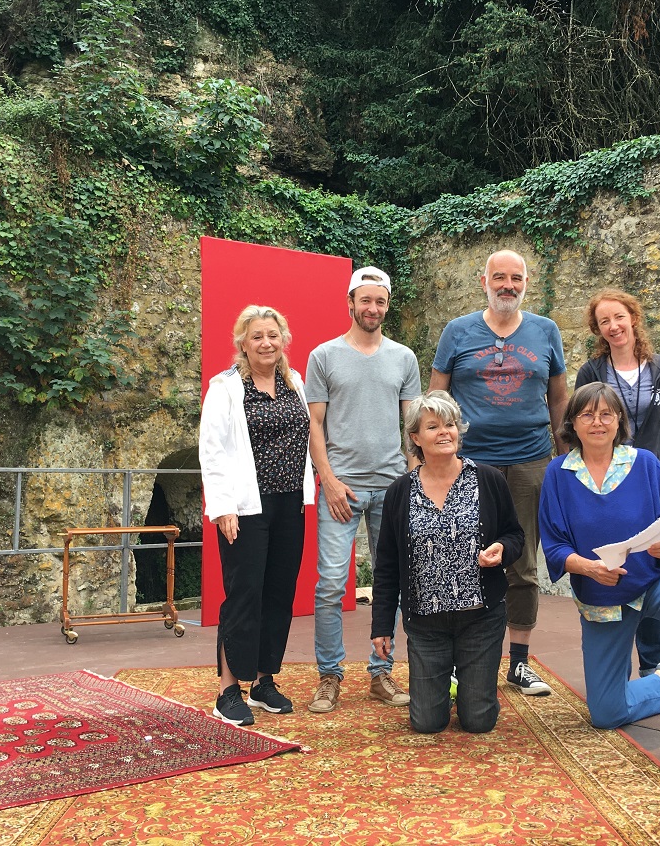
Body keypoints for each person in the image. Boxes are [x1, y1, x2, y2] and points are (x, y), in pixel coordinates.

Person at [539, 382, 660, 767]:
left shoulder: (645, 463)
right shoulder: (558, 474)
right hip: (602, 594)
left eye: (606, 414)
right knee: (606, 714)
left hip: (654, 580)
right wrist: (589, 568)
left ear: (620, 421)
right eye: (587, 415)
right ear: (572, 425)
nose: (598, 422)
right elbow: (556, 547)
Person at [429, 249, 567, 696]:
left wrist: (565, 461)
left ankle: (520, 663)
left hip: (531, 462)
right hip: (470, 464)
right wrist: (428, 460)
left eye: (517, 278)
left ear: (527, 282)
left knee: (523, 563)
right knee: (460, 559)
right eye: (499, 277)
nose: (508, 285)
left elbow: (559, 400)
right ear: (483, 280)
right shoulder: (457, 331)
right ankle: (458, 661)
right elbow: (436, 400)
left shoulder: (546, 332)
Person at [371, 391, 524, 733]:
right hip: (426, 623)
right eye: (433, 426)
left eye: (451, 424)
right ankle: (448, 684)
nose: (445, 432)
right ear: (415, 438)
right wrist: (381, 626)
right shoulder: (399, 492)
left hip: (480, 619)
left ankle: (470, 686)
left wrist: (501, 547)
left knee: (478, 722)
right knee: (427, 723)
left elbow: (515, 535)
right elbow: (386, 566)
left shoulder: (488, 480)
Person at [305, 266, 421, 714]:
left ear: (386, 306)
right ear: (350, 303)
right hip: (342, 491)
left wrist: (414, 480)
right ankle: (329, 676)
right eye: (365, 300)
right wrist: (329, 481)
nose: (372, 308)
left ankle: (381, 672)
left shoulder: (403, 358)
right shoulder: (324, 356)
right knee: (331, 583)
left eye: (380, 302)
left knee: (389, 584)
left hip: (393, 488)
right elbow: (314, 423)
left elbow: (413, 427)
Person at [575, 288, 660, 680]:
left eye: (619, 317)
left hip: (653, 488)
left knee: (656, 568)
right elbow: (577, 427)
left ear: (633, 318)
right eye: (604, 322)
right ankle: (613, 671)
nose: (614, 326)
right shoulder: (592, 373)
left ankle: (653, 670)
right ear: (598, 330)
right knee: (612, 568)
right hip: (607, 491)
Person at [198, 305, 314, 727]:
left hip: (289, 504)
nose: (266, 343)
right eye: (256, 336)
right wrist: (223, 506)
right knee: (244, 594)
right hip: (246, 507)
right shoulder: (225, 388)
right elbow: (211, 452)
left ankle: (264, 681)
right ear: (242, 345)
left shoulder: (294, 383)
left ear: (283, 338)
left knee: (279, 593)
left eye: (272, 335)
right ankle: (228, 689)